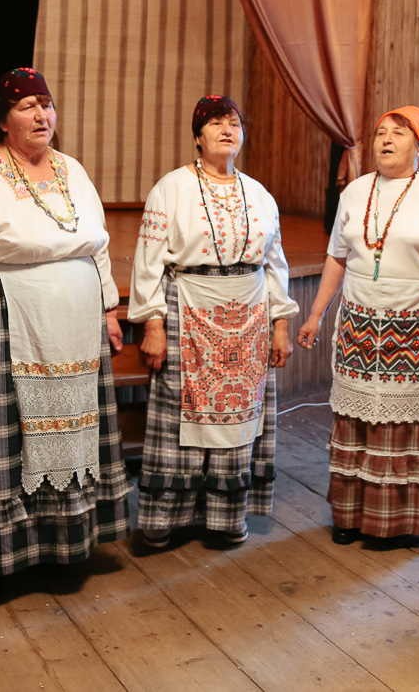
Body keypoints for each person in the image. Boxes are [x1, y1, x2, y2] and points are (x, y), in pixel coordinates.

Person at [0, 67, 132, 601]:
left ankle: (63, 549)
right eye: (26, 106)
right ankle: (0, 559)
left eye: (46, 104)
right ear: (3, 118)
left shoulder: (72, 170)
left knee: (75, 435)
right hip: (4, 320)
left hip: (76, 329)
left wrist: (108, 310)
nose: (41, 115)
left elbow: (98, 246)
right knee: (6, 438)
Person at [297, 106, 419, 545]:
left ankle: (397, 524)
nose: (386, 140)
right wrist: (316, 314)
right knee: (356, 422)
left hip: (418, 329)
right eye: (380, 133)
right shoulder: (355, 192)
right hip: (359, 329)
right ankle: (350, 517)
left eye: (398, 133)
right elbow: (337, 257)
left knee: (404, 428)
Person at [128, 95, 297, 548]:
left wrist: (281, 324)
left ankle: (226, 517)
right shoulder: (171, 188)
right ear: (197, 136)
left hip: (250, 317)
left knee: (240, 417)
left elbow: (275, 264)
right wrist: (152, 324)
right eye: (216, 123)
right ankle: (165, 519)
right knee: (177, 417)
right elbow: (148, 261)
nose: (227, 129)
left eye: (234, 123)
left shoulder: (259, 194)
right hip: (188, 308)